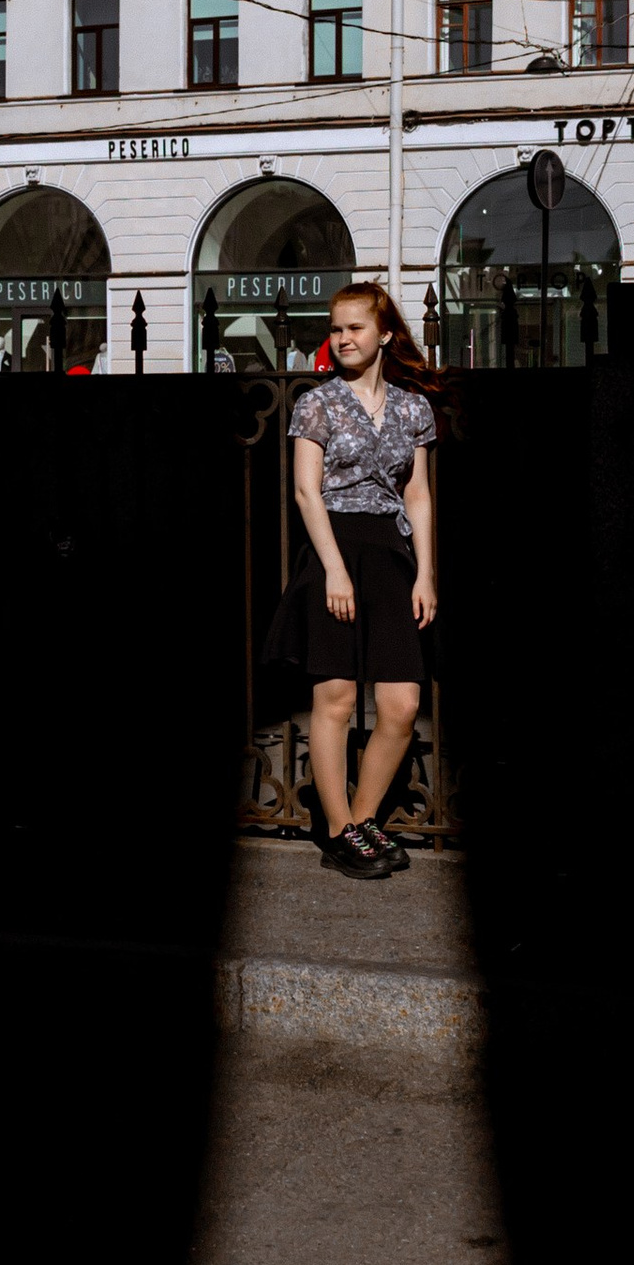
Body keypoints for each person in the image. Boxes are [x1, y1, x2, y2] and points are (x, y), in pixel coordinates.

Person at [261, 280, 440, 880]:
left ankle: (360, 822)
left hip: (391, 557)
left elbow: (417, 494)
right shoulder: (317, 402)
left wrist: (427, 574)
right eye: (336, 329)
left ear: (384, 334)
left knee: (400, 703)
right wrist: (334, 568)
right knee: (334, 699)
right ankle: (340, 830)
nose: (342, 339)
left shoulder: (415, 408)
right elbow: (305, 490)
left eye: (355, 328)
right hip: (333, 549)